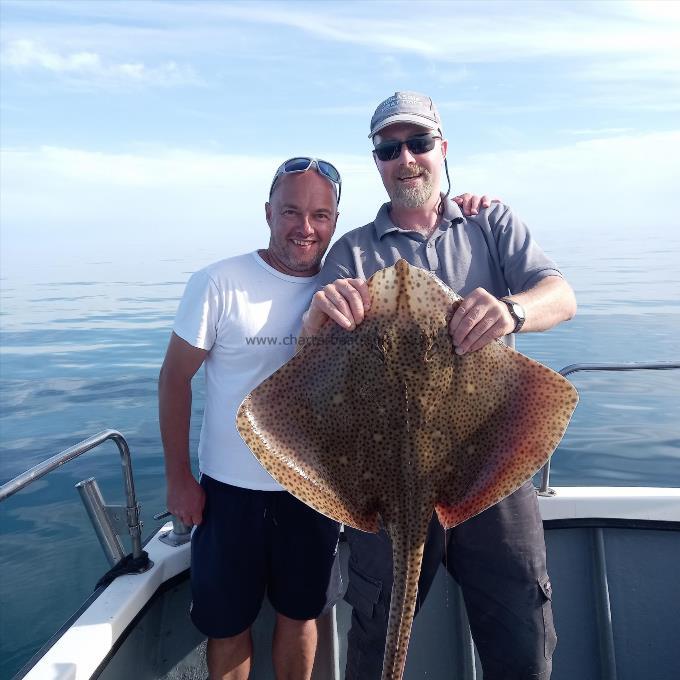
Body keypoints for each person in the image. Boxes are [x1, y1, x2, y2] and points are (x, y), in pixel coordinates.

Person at [158, 155, 491, 680]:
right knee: (228, 627)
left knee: (301, 616)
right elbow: (174, 378)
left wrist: (467, 206)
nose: (304, 227)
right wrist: (179, 478)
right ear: (268, 212)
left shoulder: (352, 290)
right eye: (291, 212)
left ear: (335, 222)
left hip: (316, 490)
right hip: (230, 492)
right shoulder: (219, 282)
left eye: (320, 215)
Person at [302, 91, 577, 680]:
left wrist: (512, 311)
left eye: (419, 144)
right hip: (387, 471)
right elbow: (315, 368)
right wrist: (317, 316)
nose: (406, 159)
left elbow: (561, 296)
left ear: (442, 149)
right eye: (389, 148)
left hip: (491, 463)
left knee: (519, 637)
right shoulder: (351, 251)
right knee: (378, 632)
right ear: (376, 161)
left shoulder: (490, 223)